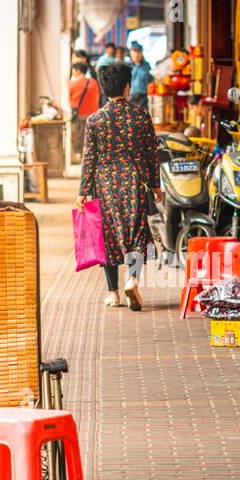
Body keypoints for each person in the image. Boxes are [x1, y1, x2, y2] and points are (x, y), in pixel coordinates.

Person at [76, 60, 162, 311]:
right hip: (134, 181)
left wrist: (83, 191)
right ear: (127, 87)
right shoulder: (140, 115)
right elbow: (150, 153)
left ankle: (112, 293)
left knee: (108, 235)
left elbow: (88, 158)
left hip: (104, 185)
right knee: (136, 234)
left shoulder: (95, 120)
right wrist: (155, 185)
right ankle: (132, 278)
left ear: (104, 88)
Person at [68, 61, 101, 162]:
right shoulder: (94, 82)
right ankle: (90, 159)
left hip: (79, 115)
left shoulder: (72, 84)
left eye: (73, 70)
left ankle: (82, 158)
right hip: (93, 115)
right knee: (91, 139)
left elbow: (69, 100)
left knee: (79, 138)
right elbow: (97, 97)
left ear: (78, 70)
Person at [128, 41, 153, 108]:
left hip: (143, 97)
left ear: (141, 53)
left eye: (138, 52)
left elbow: (151, 79)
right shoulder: (128, 66)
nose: (136, 55)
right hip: (130, 97)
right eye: (134, 53)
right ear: (131, 54)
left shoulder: (146, 65)